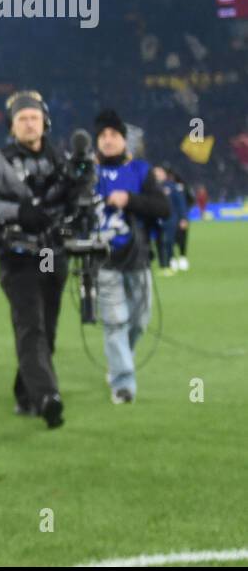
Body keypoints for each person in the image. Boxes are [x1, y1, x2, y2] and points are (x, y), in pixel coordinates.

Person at [0, 90, 69, 429]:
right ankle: (48, 398)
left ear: (45, 122)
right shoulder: (1, 159)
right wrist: (19, 212)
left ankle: (25, 394)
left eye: (34, 118)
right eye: (22, 119)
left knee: (47, 329)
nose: (28, 123)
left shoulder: (60, 157)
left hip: (51, 255)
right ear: (12, 125)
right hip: (18, 257)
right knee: (31, 326)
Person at [93, 110, 170, 403]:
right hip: (103, 261)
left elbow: (163, 209)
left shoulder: (141, 171)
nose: (108, 140)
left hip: (138, 259)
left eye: (114, 135)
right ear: (97, 143)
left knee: (139, 320)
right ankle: (123, 383)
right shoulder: (88, 174)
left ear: (124, 141)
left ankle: (119, 359)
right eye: (103, 136)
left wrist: (130, 200)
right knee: (115, 322)